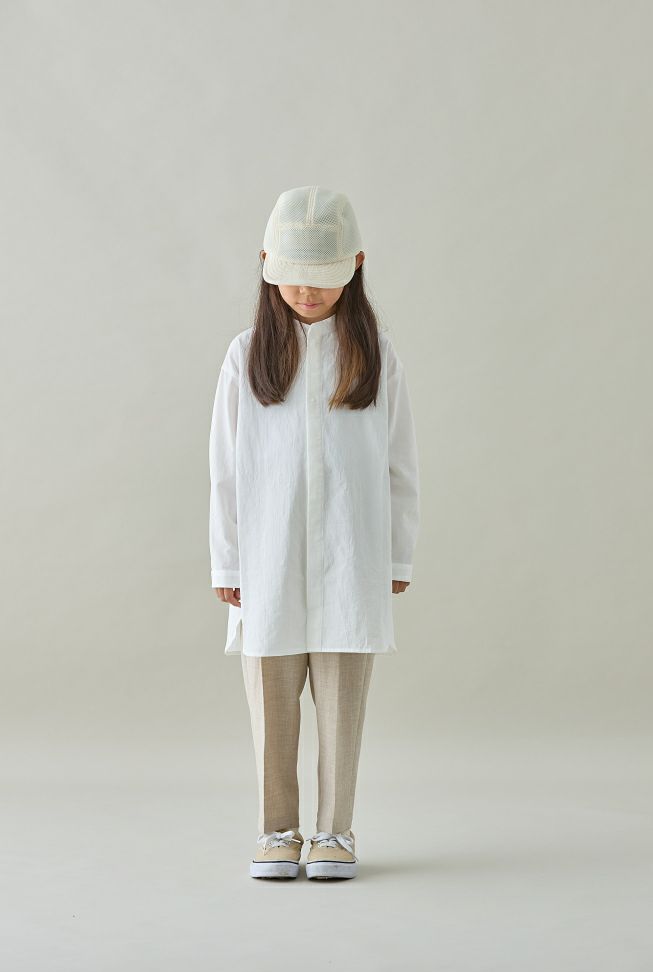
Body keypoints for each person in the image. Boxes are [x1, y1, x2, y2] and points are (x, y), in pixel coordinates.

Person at [208, 185, 420, 880]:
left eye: (322, 277)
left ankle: (335, 831)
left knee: (341, 712)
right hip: (266, 564)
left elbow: (399, 464)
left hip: (351, 562)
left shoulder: (375, 355)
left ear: (355, 265)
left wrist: (397, 556)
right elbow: (225, 470)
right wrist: (228, 562)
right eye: (293, 275)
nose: (305, 291)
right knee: (272, 711)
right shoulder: (247, 356)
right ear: (267, 264)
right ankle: (277, 830)